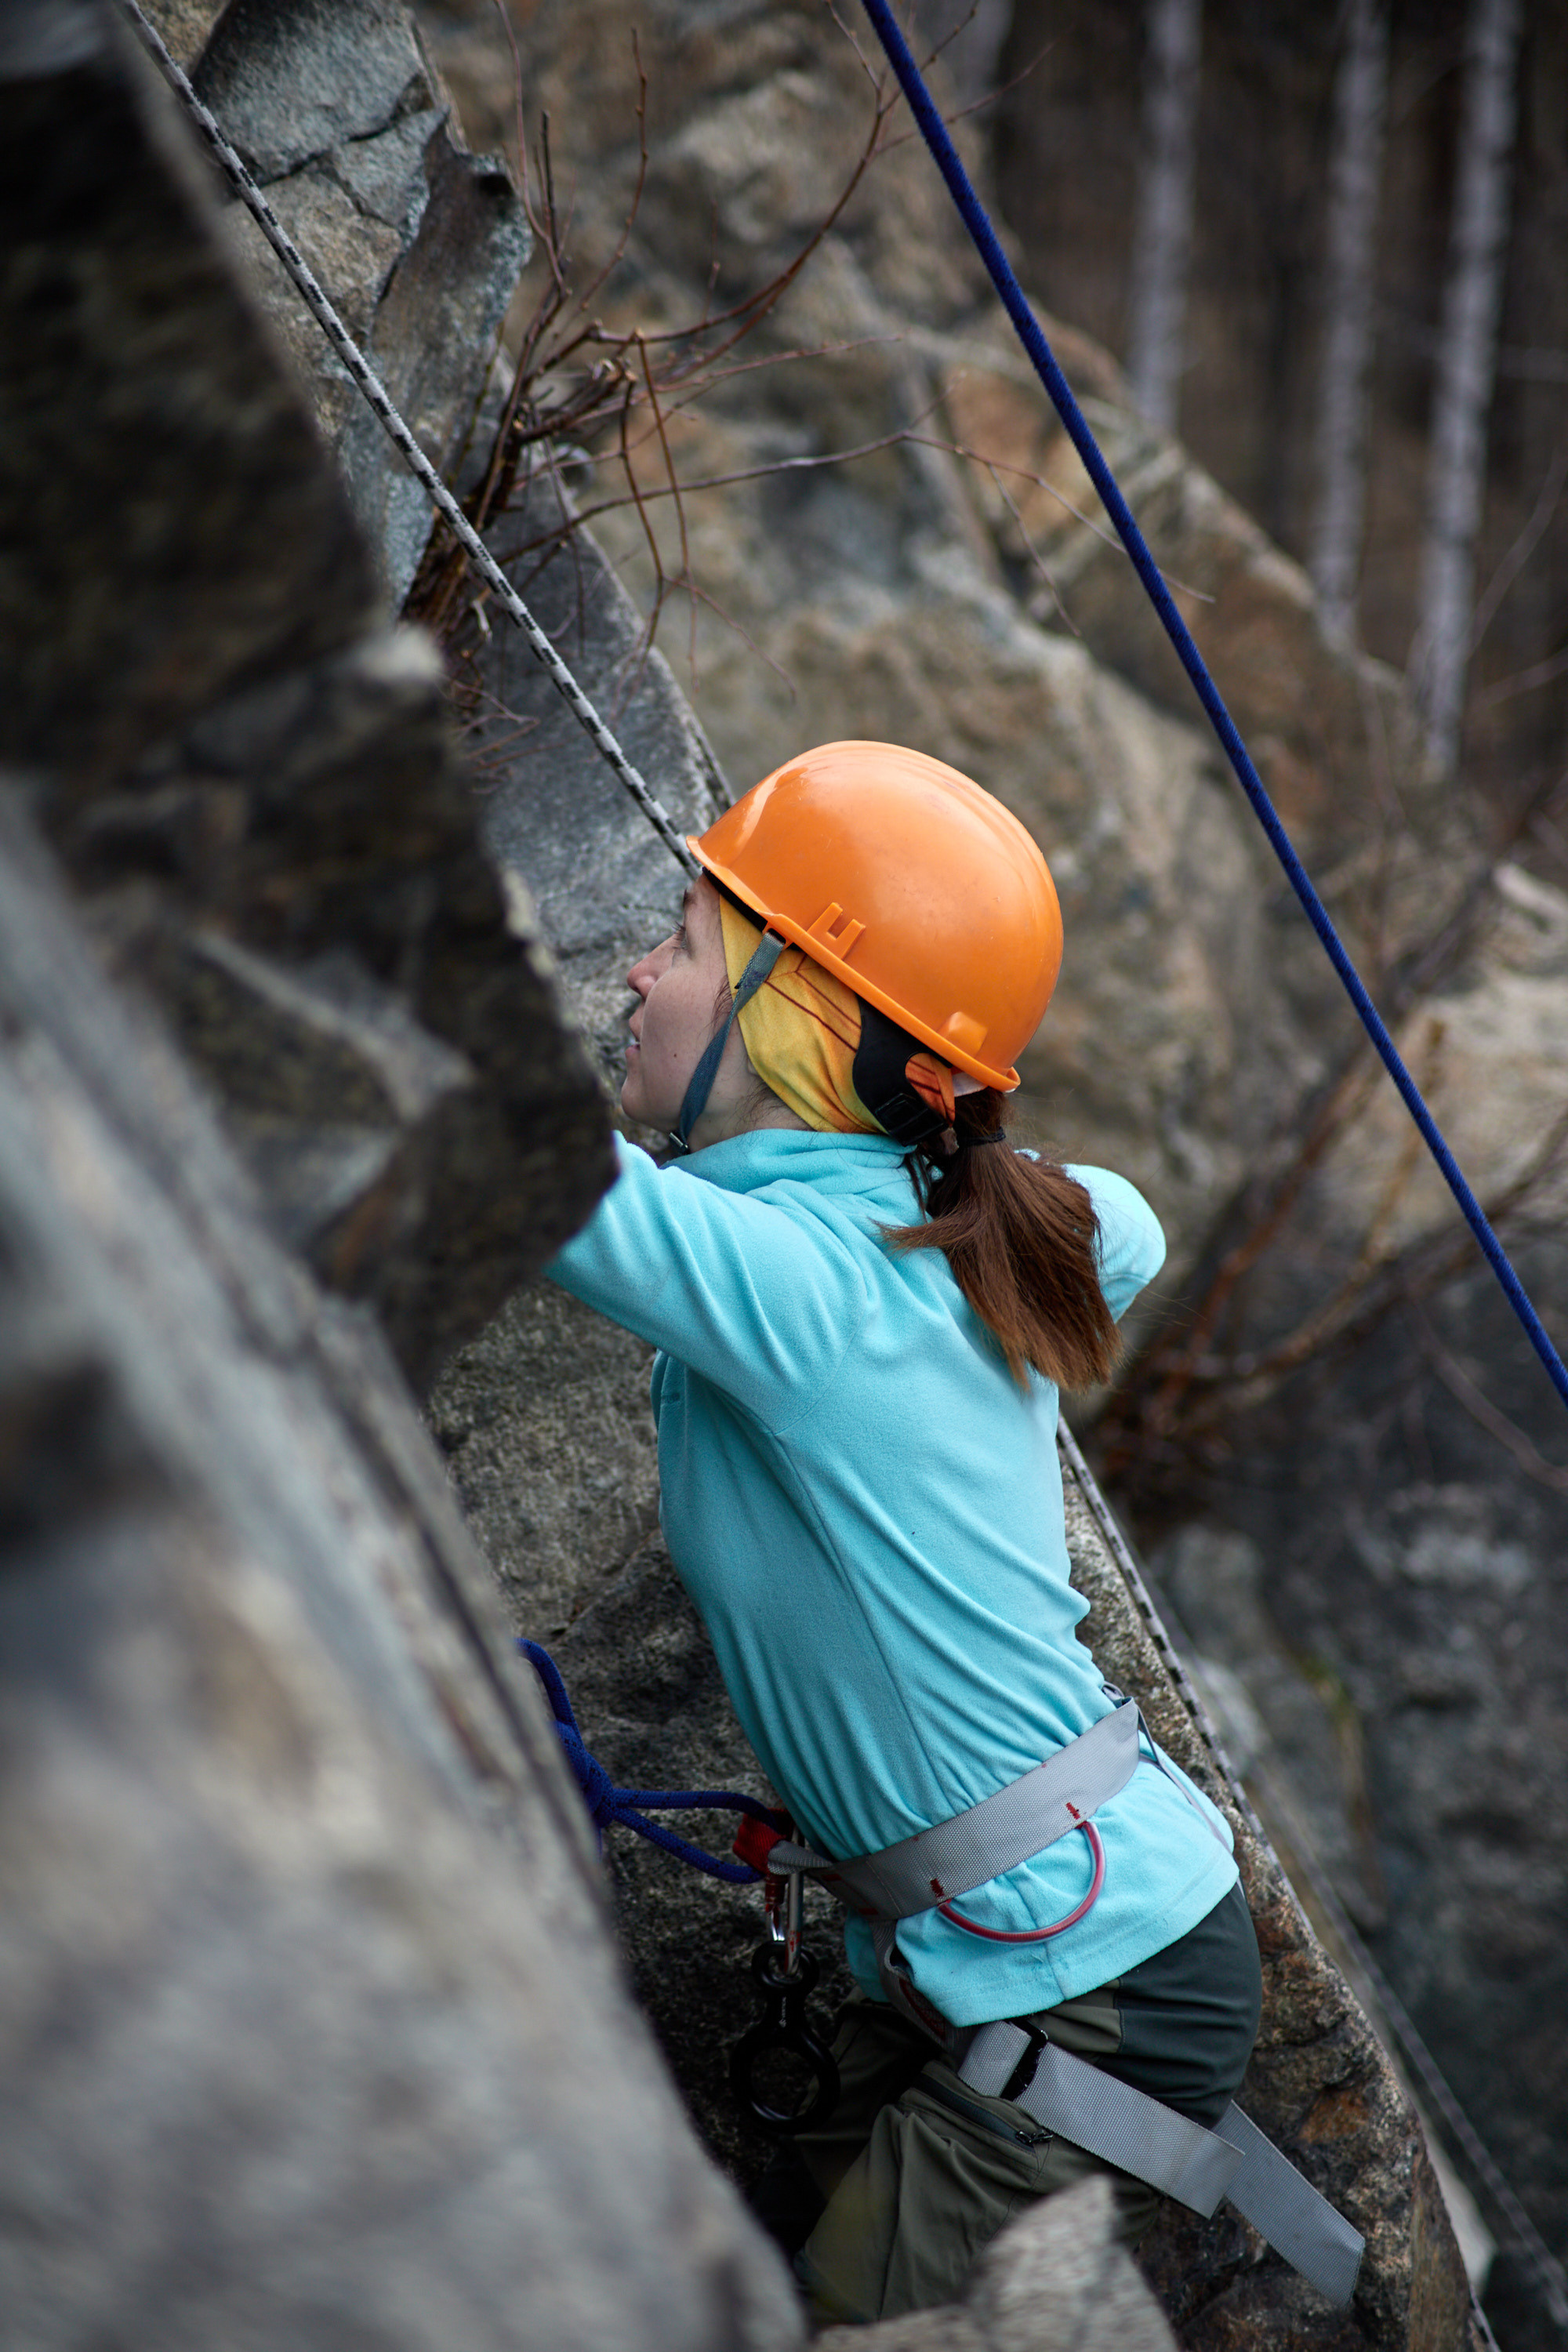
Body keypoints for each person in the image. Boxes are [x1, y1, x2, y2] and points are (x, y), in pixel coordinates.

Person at [544, 740, 1261, 2325]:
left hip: (1087, 1983)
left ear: (793, 1008)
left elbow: (530, 1173)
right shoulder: (921, 1245)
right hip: (1028, 1947)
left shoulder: (805, 1291)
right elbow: (1116, 1221)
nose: (640, 975)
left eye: (681, 941)